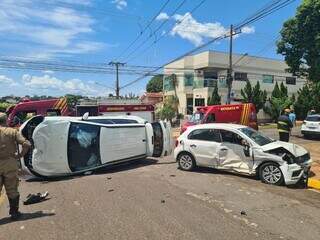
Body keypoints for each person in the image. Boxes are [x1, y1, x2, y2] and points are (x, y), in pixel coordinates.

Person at [0, 112, 31, 220]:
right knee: (12, 189)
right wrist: (20, 155)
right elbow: (26, 144)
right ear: (6, 120)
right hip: (10, 163)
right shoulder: (13, 132)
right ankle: (14, 213)